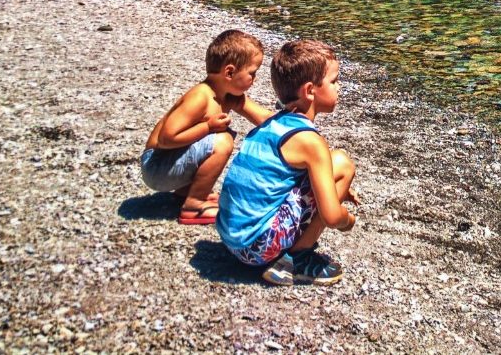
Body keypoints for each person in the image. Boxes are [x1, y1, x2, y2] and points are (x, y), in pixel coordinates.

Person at [217, 39, 358, 286]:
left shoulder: (274, 123)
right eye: (334, 81)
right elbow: (332, 217)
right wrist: (347, 220)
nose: (339, 87)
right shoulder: (309, 142)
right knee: (342, 163)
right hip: (255, 247)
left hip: (232, 238)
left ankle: (287, 254)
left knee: (329, 169)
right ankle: (295, 261)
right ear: (310, 91)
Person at [140, 29, 273, 225]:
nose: (255, 79)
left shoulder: (229, 96)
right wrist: (208, 127)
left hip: (169, 165)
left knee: (220, 138)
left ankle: (186, 193)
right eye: (252, 73)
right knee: (223, 140)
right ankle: (193, 206)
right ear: (229, 72)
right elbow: (166, 138)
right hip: (156, 166)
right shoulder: (201, 96)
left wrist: (293, 121)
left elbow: (264, 118)